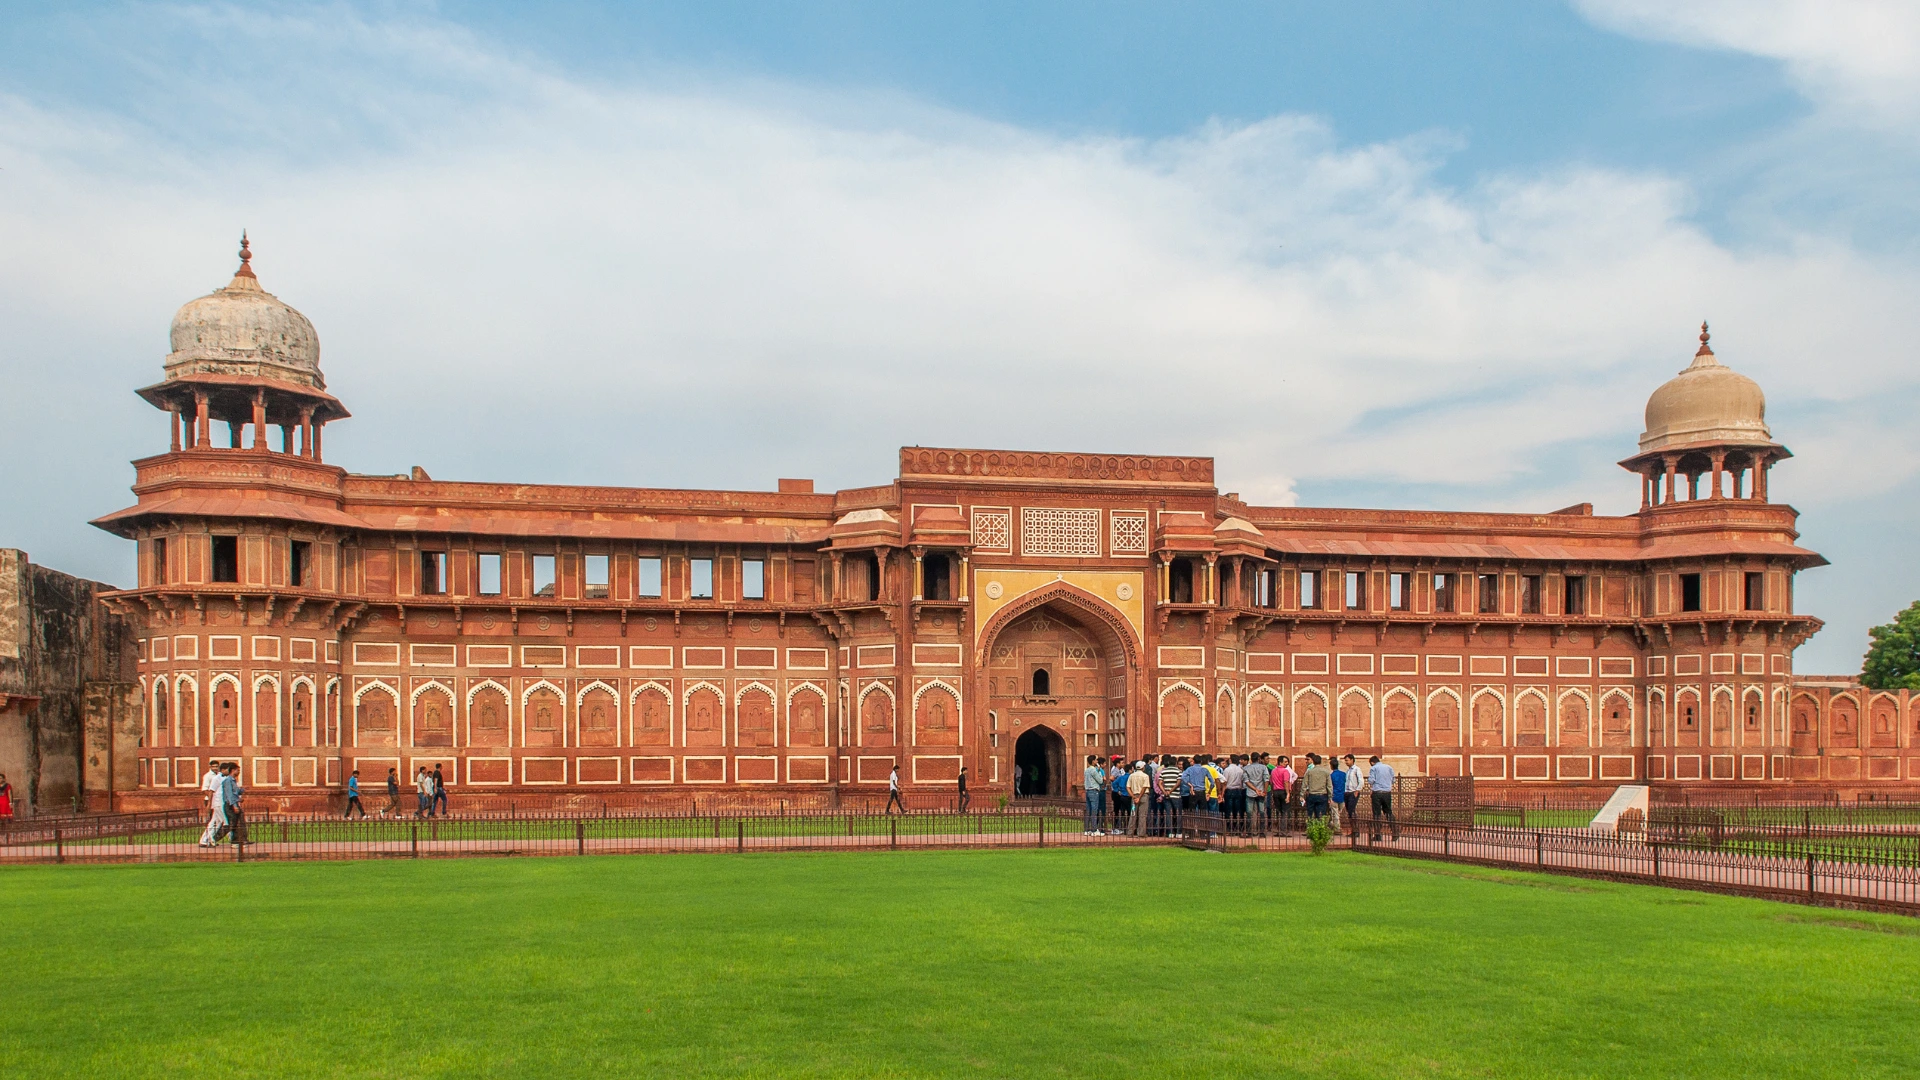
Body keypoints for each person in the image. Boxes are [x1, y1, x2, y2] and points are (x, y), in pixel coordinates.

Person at [1368, 755, 1400, 840]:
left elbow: (1371, 780)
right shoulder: (1389, 767)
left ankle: (1378, 835)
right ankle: (1395, 833)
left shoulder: (1373, 768)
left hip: (1377, 793)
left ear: (1372, 762)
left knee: (1377, 814)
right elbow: (1393, 780)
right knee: (1388, 812)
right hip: (1387, 793)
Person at [198, 762, 228, 846]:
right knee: (224, 822)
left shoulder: (221, 776)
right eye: (213, 766)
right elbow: (207, 790)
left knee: (216, 821)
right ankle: (234, 841)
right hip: (213, 801)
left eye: (216, 766)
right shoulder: (209, 776)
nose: (215, 768)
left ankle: (205, 840)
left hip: (218, 801)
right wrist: (210, 803)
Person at [1221, 754, 1248, 832]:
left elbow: (1225, 782)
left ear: (1230, 760)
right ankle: (1237, 827)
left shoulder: (1227, 770)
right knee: (1237, 810)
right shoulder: (1240, 770)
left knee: (1228, 810)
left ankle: (1229, 828)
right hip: (1238, 790)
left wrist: (1222, 793)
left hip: (1229, 790)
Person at [1159, 755, 1184, 838]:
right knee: (1178, 814)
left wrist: (1165, 791)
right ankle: (1178, 832)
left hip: (1166, 795)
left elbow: (1159, 783)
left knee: (1168, 814)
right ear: (1176, 763)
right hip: (1176, 795)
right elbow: (1179, 782)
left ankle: (1170, 832)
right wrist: (1171, 790)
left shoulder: (1163, 771)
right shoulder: (1179, 771)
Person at [1302, 754, 1332, 822]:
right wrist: (1330, 797)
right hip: (1323, 795)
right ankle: (1321, 828)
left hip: (1312, 795)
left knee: (1310, 814)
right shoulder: (1326, 772)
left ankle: (1311, 828)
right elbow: (1329, 786)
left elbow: (1304, 784)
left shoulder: (1309, 772)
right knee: (1321, 814)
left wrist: (1302, 795)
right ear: (1320, 762)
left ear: (1313, 761)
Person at [1245, 753, 1270, 834]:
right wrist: (1265, 791)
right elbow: (1266, 780)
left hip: (1250, 792)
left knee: (1250, 812)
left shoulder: (1246, 768)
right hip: (1261, 792)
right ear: (1259, 758)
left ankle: (1251, 830)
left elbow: (1246, 781)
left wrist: (1255, 789)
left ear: (1251, 759)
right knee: (1262, 812)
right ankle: (1262, 831)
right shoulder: (1264, 767)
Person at [1082, 755, 1106, 835]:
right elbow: (1100, 781)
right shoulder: (1093, 770)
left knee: (1088, 810)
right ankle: (1094, 830)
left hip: (1088, 790)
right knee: (1094, 810)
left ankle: (1087, 830)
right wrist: (1101, 775)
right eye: (1096, 760)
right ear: (1093, 761)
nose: (1097, 761)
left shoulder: (1087, 770)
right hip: (1094, 791)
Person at [1341, 754, 1364, 831]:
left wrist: (1357, 790)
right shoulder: (1348, 771)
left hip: (1353, 792)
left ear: (1352, 760)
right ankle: (1353, 829)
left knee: (1351, 810)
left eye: (1347, 760)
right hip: (1347, 792)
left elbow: (1361, 781)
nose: (1346, 762)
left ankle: (1356, 830)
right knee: (1349, 811)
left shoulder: (1357, 769)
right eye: (1345, 761)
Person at [1127, 762, 1150, 836]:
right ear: (1143, 767)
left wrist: (1133, 796)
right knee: (1142, 815)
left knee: (1133, 814)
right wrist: (1139, 797)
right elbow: (1144, 787)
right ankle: (1141, 833)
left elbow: (1128, 787)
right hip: (1143, 796)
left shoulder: (1131, 775)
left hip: (1134, 796)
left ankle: (1130, 832)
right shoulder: (1145, 776)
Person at [1108, 757, 1131, 832]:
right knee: (1117, 810)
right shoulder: (1116, 770)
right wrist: (1117, 788)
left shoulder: (1119, 771)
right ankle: (1115, 827)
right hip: (1116, 793)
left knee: (1121, 810)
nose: (1123, 764)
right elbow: (1111, 778)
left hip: (1118, 792)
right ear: (1118, 764)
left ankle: (1120, 826)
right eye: (1122, 763)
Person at [1328, 754, 1348, 831]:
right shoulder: (1343, 774)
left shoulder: (1331, 775)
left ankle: (1337, 827)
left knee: (1335, 813)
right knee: (1338, 812)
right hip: (1343, 795)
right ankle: (1335, 825)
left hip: (1334, 796)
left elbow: (1330, 786)